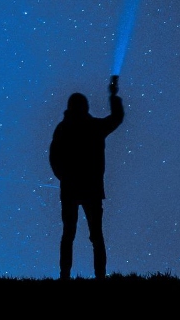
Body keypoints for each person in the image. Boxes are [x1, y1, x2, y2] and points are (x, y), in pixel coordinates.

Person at [48, 76, 124, 279]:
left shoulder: (63, 128)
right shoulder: (93, 127)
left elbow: (53, 157)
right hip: (90, 188)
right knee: (95, 236)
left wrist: (63, 177)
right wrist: (113, 96)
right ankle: (99, 276)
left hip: (71, 188)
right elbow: (116, 118)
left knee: (69, 235)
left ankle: (65, 275)